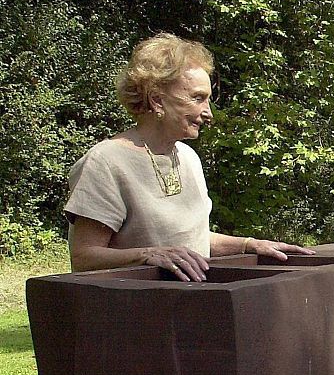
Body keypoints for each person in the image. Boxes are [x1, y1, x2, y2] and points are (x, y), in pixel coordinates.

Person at [65, 33, 313, 281]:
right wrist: (148, 255)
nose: (208, 114)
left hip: (191, 307)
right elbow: (84, 257)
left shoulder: (187, 157)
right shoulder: (106, 162)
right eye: (198, 98)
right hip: (136, 312)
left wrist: (249, 244)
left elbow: (194, 241)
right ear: (157, 99)